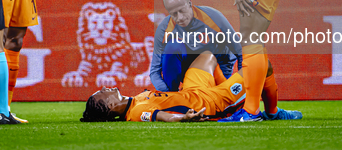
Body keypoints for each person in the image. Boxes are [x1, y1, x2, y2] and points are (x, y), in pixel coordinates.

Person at [81, 51, 302, 122]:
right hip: (210, 102)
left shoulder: (134, 101)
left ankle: (236, 91)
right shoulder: (136, 111)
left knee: (206, 56)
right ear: (109, 105)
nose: (104, 87)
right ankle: (255, 112)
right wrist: (183, 118)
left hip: (193, 92)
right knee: (262, 62)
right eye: (101, 93)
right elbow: (161, 117)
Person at [152, 0, 242, 93]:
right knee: (172, 46)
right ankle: (174, 94)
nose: (180, 17)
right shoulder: (164, 29)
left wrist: (240, 84)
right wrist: (168, 94)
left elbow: (240, 52)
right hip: (189, 73)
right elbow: (154, 72)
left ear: (190, 3)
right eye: (174, 14)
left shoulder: (213, 17)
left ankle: (216, 90)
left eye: (182, 10)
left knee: (207, 55)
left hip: (219, 70)